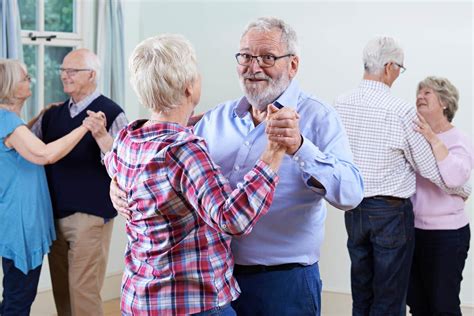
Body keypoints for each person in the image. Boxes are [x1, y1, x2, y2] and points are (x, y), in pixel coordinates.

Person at [111, 17, 364, 315]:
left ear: (292, 65)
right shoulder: (214, 119)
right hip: (214, 282)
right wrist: (116, 186)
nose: (254, 67)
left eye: (267, 57)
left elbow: (351, 194)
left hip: (283, 282)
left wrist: (299, 147)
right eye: (245, 56)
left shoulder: (319, 118)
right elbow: (157, 165)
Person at [105, 33, 288, 316]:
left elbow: (122, 166)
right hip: (193, 304)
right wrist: (273, 152)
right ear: (190, 87)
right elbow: (231, 219)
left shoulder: (127, 139)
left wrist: (114, 185)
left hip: (140, 300)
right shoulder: (185, 151)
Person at [334, 37, 471, 315]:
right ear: (388, 67)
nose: (399, 75)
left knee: (363, 291)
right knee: (392, 296)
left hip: (356, 210)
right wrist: (459, 190)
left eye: (427, 93)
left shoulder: (341, 103)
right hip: (392, 215)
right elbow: (429, 169)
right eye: (400, 68)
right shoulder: (400, 111)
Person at [30, 49, 128, 316]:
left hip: (90, 217)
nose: (65, 75)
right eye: (63, 70)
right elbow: (28, 148)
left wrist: (99, 135)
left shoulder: (111, 113)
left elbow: (124, 165)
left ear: (92, 75)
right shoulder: (52, 114)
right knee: (62, 291)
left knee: (83, 292)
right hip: (53, 216)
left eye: (72, 71)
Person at [0, 59, 89, 315]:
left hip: (19, 219)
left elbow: (19, 144)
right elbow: (45, 154)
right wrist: (84, 126)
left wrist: (39, 116)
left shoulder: (11, 123)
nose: (30, 81)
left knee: (15, 293)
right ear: (9, 87)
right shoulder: (8, 122)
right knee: (19, 298)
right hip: (21, 224)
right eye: (25, 78)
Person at [407, 76, 472, 316]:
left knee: (443, 305)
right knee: (418, 305)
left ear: (445, 102)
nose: (420, 96)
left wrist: (432, 138)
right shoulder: (414, 136)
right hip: (413, 231)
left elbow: (455, 178)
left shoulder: (459, 139)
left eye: (427, 93)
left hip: (448, 236)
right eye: (419, 92)